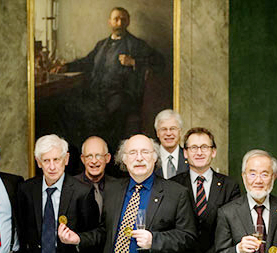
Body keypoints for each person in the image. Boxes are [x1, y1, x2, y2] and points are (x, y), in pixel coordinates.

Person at [58, 134, 197, 253]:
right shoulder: (112, 190)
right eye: (132, 153)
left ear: (155, 157)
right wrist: (79, 239)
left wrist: (154, 240)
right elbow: (105, 231)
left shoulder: (177, 193)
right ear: (124, 159)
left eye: (145, 152)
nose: (139, 158)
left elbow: (188, 236)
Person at [52, 7, 165, 150]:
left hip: (121, 95)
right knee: (67, 109)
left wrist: (134, 62)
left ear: (128, 22)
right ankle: (82, 153)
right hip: (97, 94)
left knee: (110, 114)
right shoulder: (101, 45)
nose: (119, 22)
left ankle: (109, 156)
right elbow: (87, 62)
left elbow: (160, 62)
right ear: (109, 22)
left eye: (123, 19)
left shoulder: (136, 44)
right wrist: (66, 67)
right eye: (116, 19)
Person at [18, 134, 99, 253]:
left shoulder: (82, 192)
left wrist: (77, 239)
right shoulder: (26, 190)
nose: (52, 166)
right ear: (38, 162)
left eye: (56, 159)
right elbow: (22, 230)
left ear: (66, 159)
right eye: (46, 160)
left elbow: (97, 233)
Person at [171, 127, 240, 253]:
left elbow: (233, 230)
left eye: (205, 147)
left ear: (213, 152)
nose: (199, 152)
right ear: (185, 153)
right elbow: (170, 230)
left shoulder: (230, 186)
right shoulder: (173, 185)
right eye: (193, 147)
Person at [75, 136, 116, 219]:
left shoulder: (117, 187)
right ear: (83, 159)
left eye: (98, 156)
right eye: (89, 156)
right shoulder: (72, 186)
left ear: (107, 158)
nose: (94, 161)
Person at [154, 109, 189, 179]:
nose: (168, 133)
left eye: (173, 128)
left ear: (180, 132)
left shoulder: (189, 157)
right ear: (157, 133)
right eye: (163, 129)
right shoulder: (151, 158)